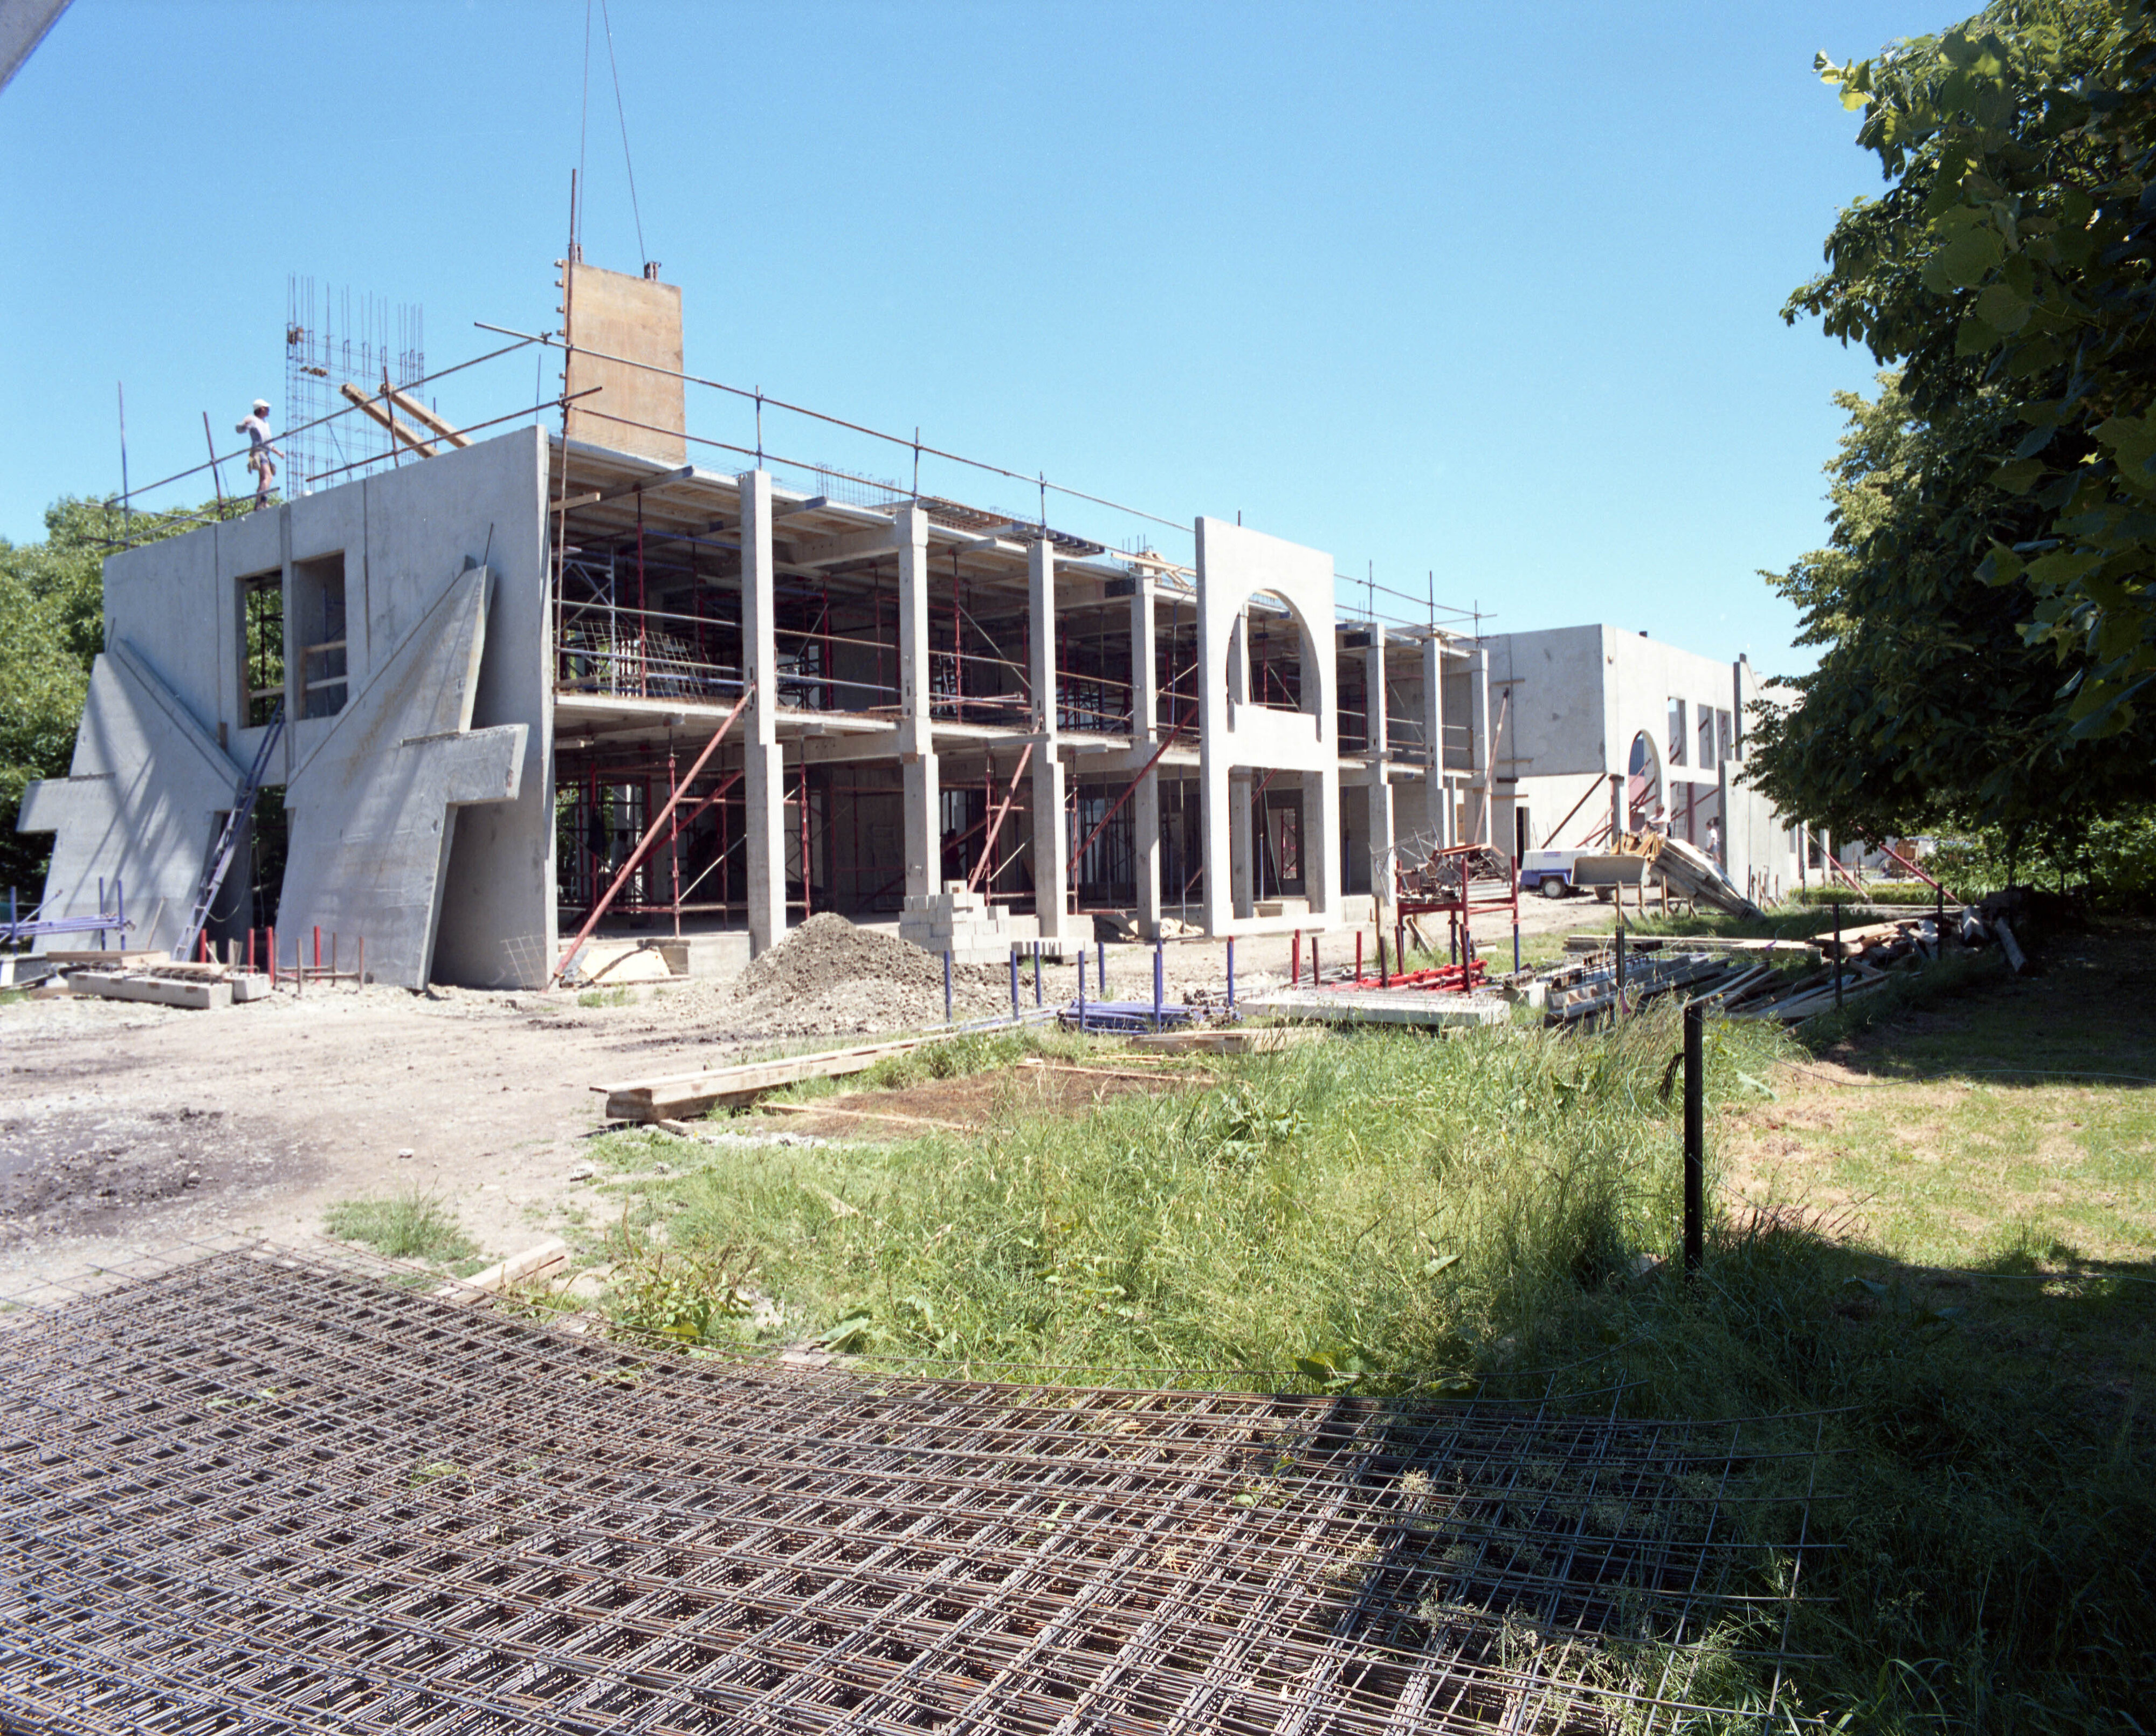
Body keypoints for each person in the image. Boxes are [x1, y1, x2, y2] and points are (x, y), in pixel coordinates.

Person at [237, 398, 280, 511]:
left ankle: (258, 504)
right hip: (258, 452)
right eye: (267, 409)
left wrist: (278, 453)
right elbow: (239, 429)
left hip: (265, 453)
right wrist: (244, 424)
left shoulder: (266, 424)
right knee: (268, 477)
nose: (269, 411)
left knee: (263, 479)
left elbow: (269, 443)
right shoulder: (253, 419)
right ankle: (263, 502)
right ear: (261, 409)